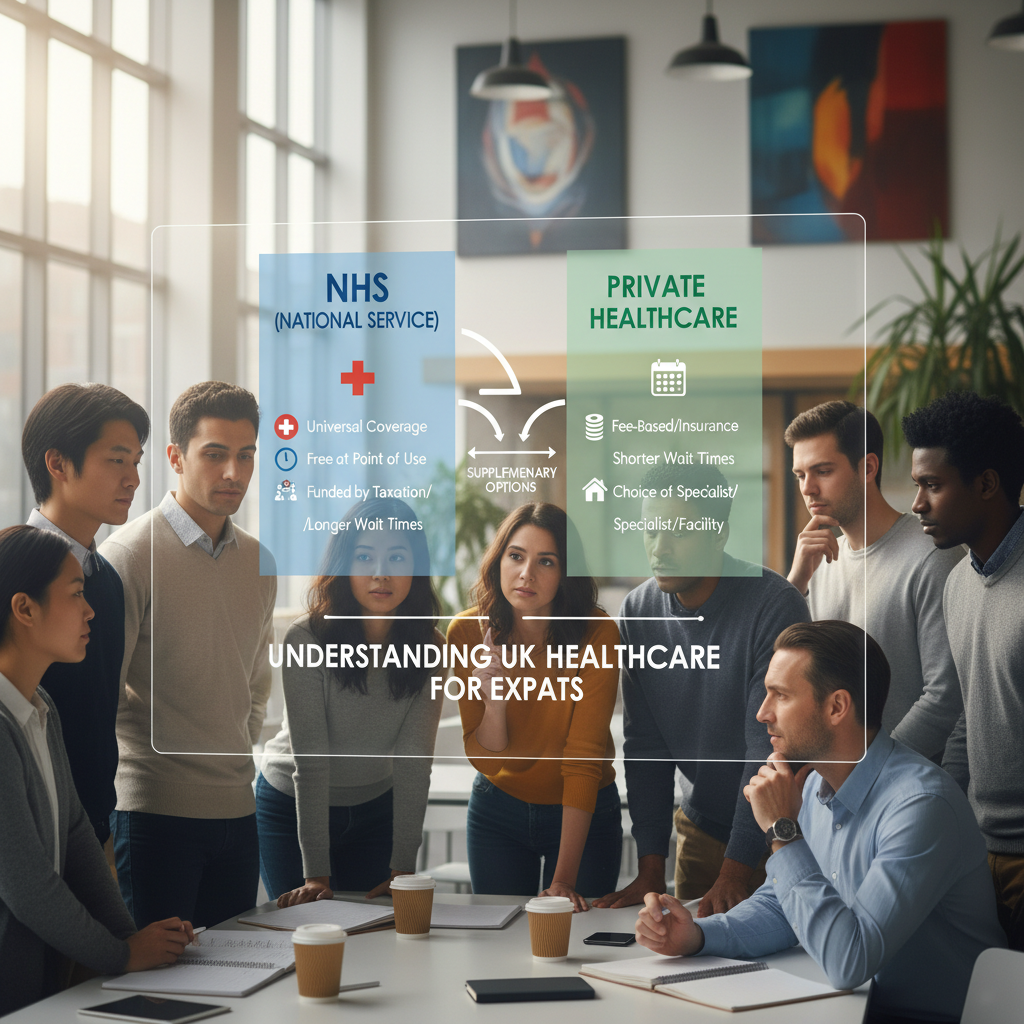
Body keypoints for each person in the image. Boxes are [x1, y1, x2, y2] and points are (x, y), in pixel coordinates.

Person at [633, 620, 1006, 1024]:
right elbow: (783, 906)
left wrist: (781, 830)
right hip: (856, 1009)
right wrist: (699, 936)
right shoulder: (814, 786)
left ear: (836, 707)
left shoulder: (921, 807)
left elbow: (850, 960)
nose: (762, 713)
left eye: (780, 695)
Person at [594, 463, 809, 915]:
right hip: (699, 825)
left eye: (679, 531)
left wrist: (734, 872)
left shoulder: (773, 604)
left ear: (719, 534)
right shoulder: (638, 610)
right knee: (682, 964)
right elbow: (645, 746)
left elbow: (766, 748)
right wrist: (650, 868)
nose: (660, 547)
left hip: (774, 835)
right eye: (651, 530)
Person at [100, 382, 276, 929]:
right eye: (215, 454)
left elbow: (254, 683)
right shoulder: (128, 555)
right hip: (154, 815)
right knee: (159, 998)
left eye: (246, 455)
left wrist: (230, 760)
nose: (234, 473)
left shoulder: (258, 561)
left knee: (235, 991)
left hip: (238, 811)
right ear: (176, 457)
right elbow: (105, 697)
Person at [0, 525, 195, 1017]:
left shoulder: (40, 705)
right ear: (24, 609)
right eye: (75, 595)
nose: (90, 611)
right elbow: (27, 885)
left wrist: (132, 941)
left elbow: (76, 832)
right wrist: (122, 954)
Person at [256, 498, 444, 904]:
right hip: (290, 805)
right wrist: (316, 875)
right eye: (364, 557)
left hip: (375, 809)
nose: (381, 574)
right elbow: (311, 761)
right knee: (306, 929)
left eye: (397, 556)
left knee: (374, 935)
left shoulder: (432, 647)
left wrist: (403, 869)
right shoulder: (305, 638)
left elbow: (414, 760)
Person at [448, 503, 621, 910]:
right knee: (499, 948)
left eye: (546, 561)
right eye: (516, 556)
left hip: (584, 813)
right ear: (498, 561)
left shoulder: (598, 634)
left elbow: (582, 759)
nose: (526, 573)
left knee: (577, 941)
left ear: (566, 574)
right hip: (498, 812)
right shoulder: (467, 632)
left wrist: (562, 882)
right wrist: (495, 701)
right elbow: (487, 762)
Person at [903, 390, 1024, 950]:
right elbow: (967, 720)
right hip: (978, 852)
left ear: (986, 484)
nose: (917, 503)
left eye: (932, 484)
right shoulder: (957, 583)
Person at [784, 401, 962, 760]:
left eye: (822, 471)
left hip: (907, 790)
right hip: (838, 788)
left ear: (867, 467)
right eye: (800, 475)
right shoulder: (817, 563)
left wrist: (874, 774)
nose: (808, 489)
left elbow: (946, 695)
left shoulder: (931, 556)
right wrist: (794, 582)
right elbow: (790, 681)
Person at [21, 383, 150, 845]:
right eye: (117, 460)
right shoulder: (14, 575)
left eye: (136, 462)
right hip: (28, 831)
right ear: (57, 464)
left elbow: (99, 714)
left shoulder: (108, 581)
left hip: (93, 830)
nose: (133, 478)